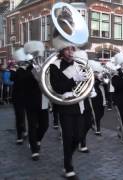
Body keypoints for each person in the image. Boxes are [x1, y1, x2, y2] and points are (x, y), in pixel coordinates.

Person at [49, 42, 88, 179]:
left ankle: (68, 159)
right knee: (68, 137)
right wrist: (73, 80)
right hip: (65, 105)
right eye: (67, 49)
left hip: (79, 104)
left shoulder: (79, 64)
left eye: (73, 48)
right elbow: (57, 87)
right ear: (61, 50)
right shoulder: (55, 66)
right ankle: (68, 167)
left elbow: (85, 82)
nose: (71, 52)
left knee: (78, 137)